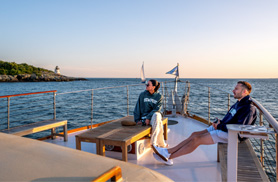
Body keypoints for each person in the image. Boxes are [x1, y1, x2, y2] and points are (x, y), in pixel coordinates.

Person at [152, 81, 257, 165]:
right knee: (194, 135)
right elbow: (231, 119)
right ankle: (168, 151)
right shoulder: (239, 103)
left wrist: (219, 125)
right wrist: (220, 122)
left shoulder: (248, 108)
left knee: (197, 140)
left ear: (244, 92)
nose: (233, 90)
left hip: (233, 135)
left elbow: (239, 128)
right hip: (224, 128)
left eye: (236, 89)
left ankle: (168, 157)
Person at [134, 79, 167, 148]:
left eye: (148, 84)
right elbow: (137, 107)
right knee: (159, 123)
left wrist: (148, 117)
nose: (146, 85)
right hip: (144, 119)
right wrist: (137, 120)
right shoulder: (142, 95)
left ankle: (153, 143)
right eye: (146, 84)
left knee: (157, 115)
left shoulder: (159, 96)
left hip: (153, 117)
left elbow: (157, 109)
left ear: (153, 87)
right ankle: (161, 144)